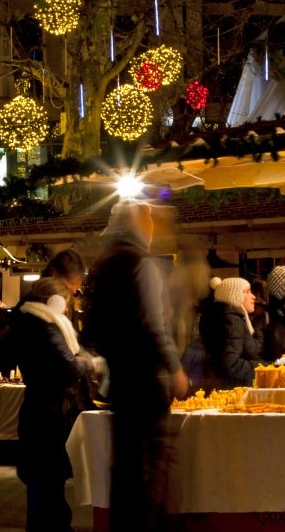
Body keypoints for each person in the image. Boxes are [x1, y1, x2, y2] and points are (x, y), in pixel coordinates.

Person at [82, 200, 187, 532]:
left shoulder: (104, 264)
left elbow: (93, 326)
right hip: (146, 380)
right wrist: (174, 367)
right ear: (141, 224)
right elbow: (153, 324)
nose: (155, 226)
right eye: (151, 219)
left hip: (122, 382)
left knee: (125, 467)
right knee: (148, 468)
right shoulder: (140, 263)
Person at [10, 277, 104, 532]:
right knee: (48, 479)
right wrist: (91, 363)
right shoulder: (46, 326)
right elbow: (67, 367)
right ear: (55, 300)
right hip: (51, 412)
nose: (68, 308)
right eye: (67, 302)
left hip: (41, 409)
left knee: (43, 481)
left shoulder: (29, 321)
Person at [199, 277, 262, 392]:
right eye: (247, 292)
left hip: (227, 387)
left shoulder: (228, 318)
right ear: (235, 296)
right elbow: (231, 364)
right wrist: (264, 368)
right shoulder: (232, 321)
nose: (253, 297)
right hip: (235, 390)